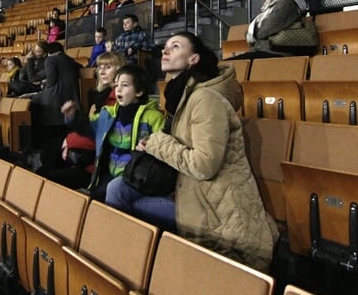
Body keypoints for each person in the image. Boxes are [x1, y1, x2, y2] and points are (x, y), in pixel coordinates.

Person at [105, 32, 278, 272]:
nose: (165, 51)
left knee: (119, 194)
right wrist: (153, 146)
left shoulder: (206, 99)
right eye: (165, 47)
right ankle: (127, 263)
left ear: (193, 59)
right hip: (187, 192)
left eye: (175, 47)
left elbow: (204, 164)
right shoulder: (180, 98)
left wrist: (158, 144)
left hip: (213, 207)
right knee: (117, 188)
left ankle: (128, 264)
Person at [61, 64, 165, 202]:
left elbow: (162, 147)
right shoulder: (108, 114)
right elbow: (90, 129)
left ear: (139, 91)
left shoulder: (153, 117)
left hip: (135, 178)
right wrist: (73, 117)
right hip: (108, 174)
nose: (118, 90)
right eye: (116, 86)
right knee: (95, 197)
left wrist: (149, 147)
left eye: (125, 85)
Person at [40, 51, 126, 189]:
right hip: (89, 157)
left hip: (98, 165)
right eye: (100, 67)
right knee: (45, 165)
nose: (102, 71)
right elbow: (90, 127)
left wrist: (69, 141)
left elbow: (103, 135)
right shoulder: (100, 97)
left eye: (108, 67)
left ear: (120, 70)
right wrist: (71, 118)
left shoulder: (117, 100)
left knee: (48, 177)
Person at [233, 0, 314, 59]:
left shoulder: (285, 2)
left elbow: (266, 29)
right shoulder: (267, 8)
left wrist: (254, 31)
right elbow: (251, 33)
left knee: (232, 65)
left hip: (278, 51)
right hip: (264, 51)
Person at [32, 42, 82, 140]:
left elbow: (51, 81)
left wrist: (44, 85)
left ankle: (38, 138)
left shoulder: (50, 60)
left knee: (34, 100)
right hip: (71, 95)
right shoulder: (70, 59)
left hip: (56, 96)